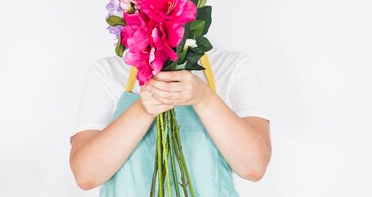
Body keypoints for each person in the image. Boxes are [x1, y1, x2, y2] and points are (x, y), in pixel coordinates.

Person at [69, 46, 272, 195]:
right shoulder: (109, 71)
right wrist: (143, 109)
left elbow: (254, 167)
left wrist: (205, 98)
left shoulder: (231, 67)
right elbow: (86, 175)